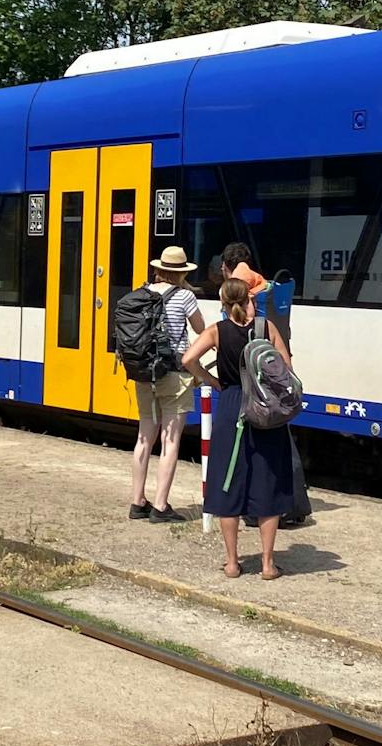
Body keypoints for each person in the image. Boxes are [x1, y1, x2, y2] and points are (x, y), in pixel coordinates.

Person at [184, 278, 295, 579]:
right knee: (267, 481)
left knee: (228, 479)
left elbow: (188, 359)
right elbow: (286, 368)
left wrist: (211, 381)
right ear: (249, 298)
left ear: (222, 303)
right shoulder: (266, 328)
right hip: (265, 409)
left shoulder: (217, 332)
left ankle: (232, 562)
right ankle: (268, 564)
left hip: (232, 403)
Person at [218, 243, 311, 527]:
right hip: (274, 376)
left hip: (250, 386)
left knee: (249, 453)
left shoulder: (241, 286)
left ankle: (259, 508)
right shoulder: (265, 283)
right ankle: (293, 504)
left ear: (226, 266)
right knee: (279, 445)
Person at [130, 246, 205, 523]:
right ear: (182, 273)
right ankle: (160, 506)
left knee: (144, 437)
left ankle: (137, 502)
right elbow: (200, 329)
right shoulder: (185, 296)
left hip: (144, 373)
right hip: (173, 374)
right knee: (170, 440)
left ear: (158, 269)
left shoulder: (142, 293)